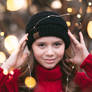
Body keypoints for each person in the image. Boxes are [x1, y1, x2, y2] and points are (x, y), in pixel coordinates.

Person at [0, 11, 92, 92]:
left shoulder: (79, 82)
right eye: (41, 45)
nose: (50, 53)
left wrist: (88, 62)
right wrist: (7, 65)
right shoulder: (16, 82)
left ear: (65, 46)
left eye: (57, 44)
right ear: (31, 47)